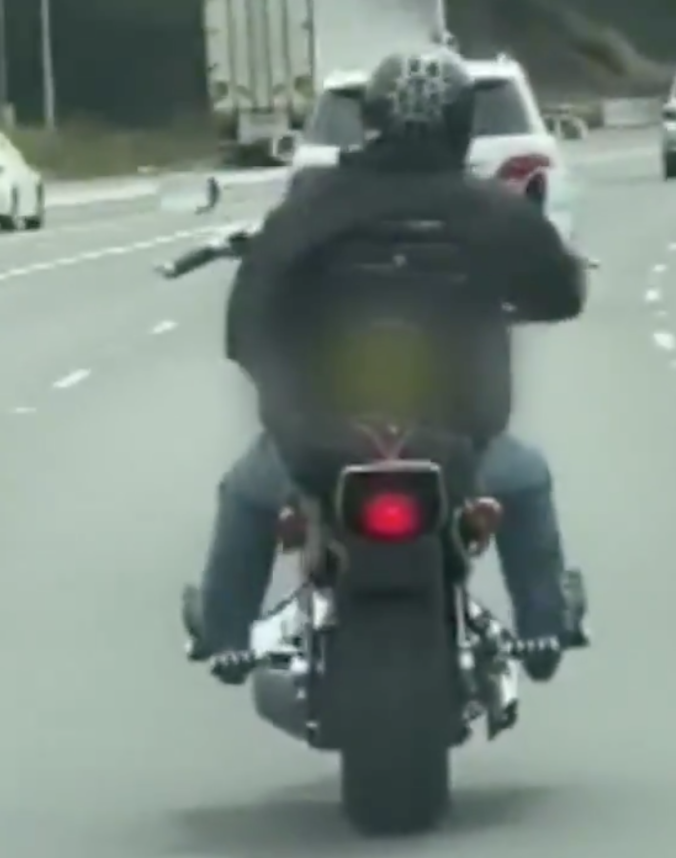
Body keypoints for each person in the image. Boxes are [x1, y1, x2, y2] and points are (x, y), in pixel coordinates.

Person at [185, 48, 589, 685]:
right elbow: (562, 295)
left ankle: (224, 634)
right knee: (525, 479)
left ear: (370, 121)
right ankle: (545, 627)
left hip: (319, 440)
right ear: (461, 125)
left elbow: (247, 325)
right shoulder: (489, 208)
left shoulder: (313, 207)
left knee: (247, 493)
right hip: (461, 432)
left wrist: (284, 387)